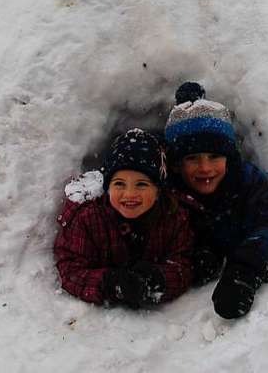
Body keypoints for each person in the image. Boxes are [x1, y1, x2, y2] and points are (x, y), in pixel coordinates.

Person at [165, 82, 268, 320]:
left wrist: (248, 263)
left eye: (215, 156)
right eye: (192, 158)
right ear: (176, 163)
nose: (205, 168)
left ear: (229, 158)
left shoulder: (243, 183)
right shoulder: (166, 194)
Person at [54, 128, 194, 308]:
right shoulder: (89, 219)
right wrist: (109, 283)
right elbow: (70, 269)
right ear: (107, 187)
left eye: (141, 184)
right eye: (119, 184)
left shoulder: (173, 217)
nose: (129, 194)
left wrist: (158, 279)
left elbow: (184, 263)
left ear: (158, 190)